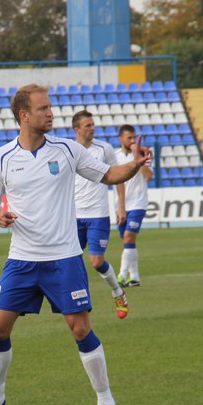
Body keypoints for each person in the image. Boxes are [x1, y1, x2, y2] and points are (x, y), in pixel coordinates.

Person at [0, 84, 152, 405]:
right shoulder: (0, 158)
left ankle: (106, 402)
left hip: (63, 258)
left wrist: (135, 165)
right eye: (43, 108)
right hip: (21, 259)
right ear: (24, 115)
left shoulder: (67, 150)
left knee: (80, 329)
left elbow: (109, 175)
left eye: (50, 107)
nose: (51, 113)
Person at [72, 110, 129, 320]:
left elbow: (118, 177)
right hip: (74, 215)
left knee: (96, 262)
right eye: (88, 125)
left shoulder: (104, 149)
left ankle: (117, 292)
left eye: (93, 124)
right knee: (72, 261)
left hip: (98, 214)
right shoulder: (69, 150)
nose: (92, 128)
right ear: (76, 129)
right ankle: (80, 300)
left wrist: (120, 206)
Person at [116, 124, 153, 287]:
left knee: (129, 236)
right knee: (127, 242)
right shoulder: (115, 156)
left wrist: (139, 159)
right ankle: (135, 277)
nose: (132, 140)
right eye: (128, 138)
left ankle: (122, 275)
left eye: (134, 137)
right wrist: (120, 206)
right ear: (121, 139)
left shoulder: (141, 154)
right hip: (121, 204)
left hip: (138, 202)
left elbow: (149, 176)